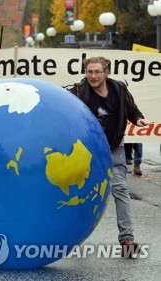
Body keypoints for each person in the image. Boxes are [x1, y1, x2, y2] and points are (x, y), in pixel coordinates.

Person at [69, 56, 153, 258]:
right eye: (89, 72)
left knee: (120, 188)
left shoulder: (119, 90)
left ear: (106, 72)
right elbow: (67, 112)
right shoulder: (79, 92)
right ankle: (71, 237)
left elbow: (132, 110)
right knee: (80, 191)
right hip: (87, 150)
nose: (93, 76)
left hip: (113, 146)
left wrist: (139, 119)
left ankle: (127, 239)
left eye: (97, 72)